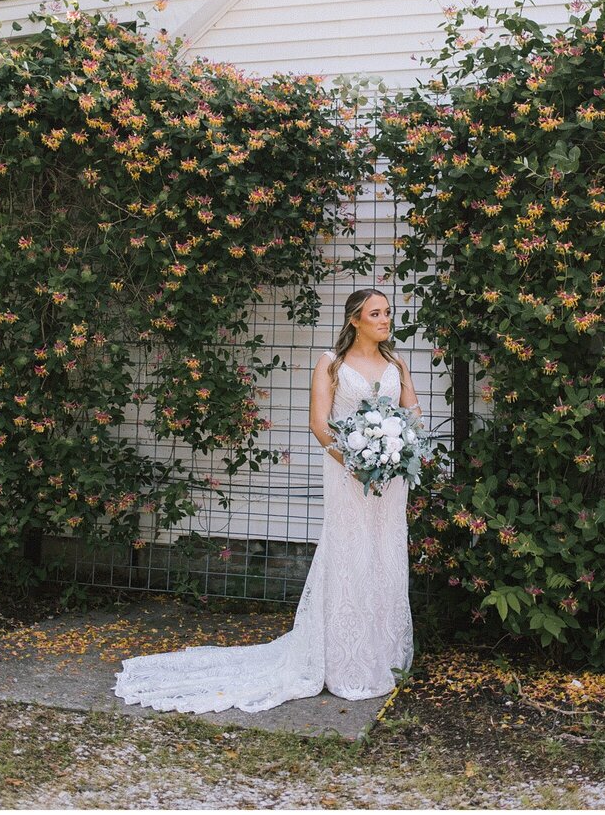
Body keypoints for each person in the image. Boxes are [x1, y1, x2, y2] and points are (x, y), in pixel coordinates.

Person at [112, 287, 420, 713]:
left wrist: (395, 451)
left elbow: (412, 414)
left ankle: (380, 659)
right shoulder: (330, 364)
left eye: (388, 313)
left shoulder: (396, 363)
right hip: (348, 474)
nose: (386, 320)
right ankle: (342, 659)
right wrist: (354, 460)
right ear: (355, 320)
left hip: (389, 480)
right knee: (348, 555)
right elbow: (319, 424)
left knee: (384, 555)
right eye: (376, 313)